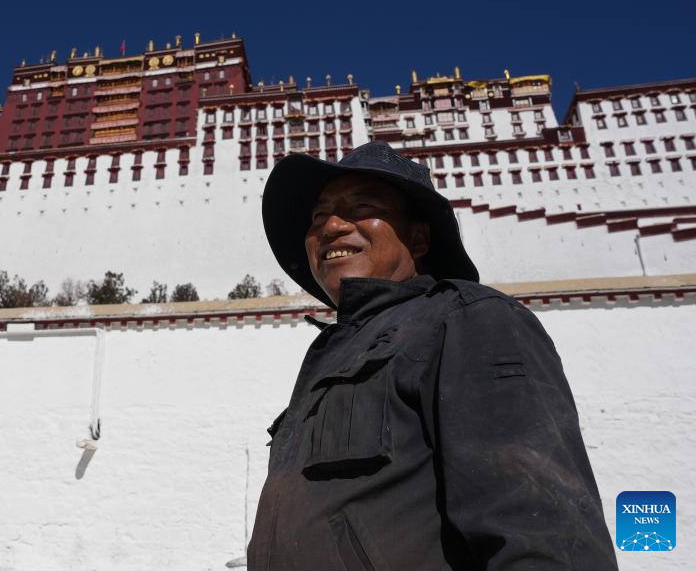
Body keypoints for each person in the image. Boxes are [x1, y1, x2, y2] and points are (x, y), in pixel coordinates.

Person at [249, 141, 617, 570]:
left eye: (362, 206)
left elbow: (542, 529)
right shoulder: (333, 355)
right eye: (318, 217)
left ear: (419, 237)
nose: (330, 225)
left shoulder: (466, 321)